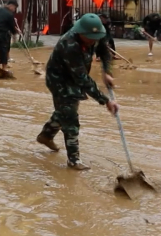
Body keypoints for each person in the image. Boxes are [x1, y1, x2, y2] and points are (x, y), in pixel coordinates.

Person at [36, 13, 120, 170]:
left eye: (96, 38)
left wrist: (106, 71)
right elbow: (82, 80)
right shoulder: (69, 45)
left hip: (75, 77)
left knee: (64, 112)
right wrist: (106, 101)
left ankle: (46, 135)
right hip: (59, 80)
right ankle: (73, 160)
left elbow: (105, 52)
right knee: (70, 118)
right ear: (81, 33)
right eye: (90, 38)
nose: (93, 41)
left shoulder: (96, 35)